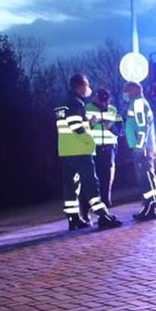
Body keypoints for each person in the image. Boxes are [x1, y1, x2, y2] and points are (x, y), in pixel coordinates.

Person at [55, 74, 123, 231]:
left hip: (66, 150)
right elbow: (76, 126)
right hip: (80, 150)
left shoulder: (61, 103)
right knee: (92, 183)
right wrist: (90, 142)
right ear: (80, 86)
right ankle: (103, 215)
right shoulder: (76, 103)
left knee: (70, 186)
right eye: (86, 84)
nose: (87, 88)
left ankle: (73, 218)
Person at [123, 81, 156, 221]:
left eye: (127, 91)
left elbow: (142, 127)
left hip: (142, 148)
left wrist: (140, 146)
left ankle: (149, 207)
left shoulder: (138, 103)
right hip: (146, 146)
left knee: (144, 177)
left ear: (134, 90)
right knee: (148, 175)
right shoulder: (141, 103)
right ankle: (151, 204)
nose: (126, 94)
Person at [86, 88, 121, 207]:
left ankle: (106, 201)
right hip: (92, 147)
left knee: (108, 175)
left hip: (109, 147)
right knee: (92, 176)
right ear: (95, 97)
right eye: (101, 100)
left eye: (106, 101)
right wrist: (90, 124)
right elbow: (79, 129)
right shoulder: (86, 108)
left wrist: (110, 127)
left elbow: (120, 131)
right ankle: (94, 203)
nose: (103, 104)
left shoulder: (113, 110)